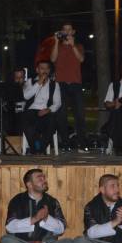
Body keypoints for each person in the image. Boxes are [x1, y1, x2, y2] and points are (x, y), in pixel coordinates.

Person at [0, 168, 77, 243]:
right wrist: (35, 219)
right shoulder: (17, 200)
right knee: (5, 240)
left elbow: (61, 229)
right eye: (39, 178)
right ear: (29, 184)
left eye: (44, 177)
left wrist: (46, 218)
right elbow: (10, 227)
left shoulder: (52, 202)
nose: (44, 180)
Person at [49, 22, 87, 150]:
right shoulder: (58, 46)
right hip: (61, 84)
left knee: (80, 115)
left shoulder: (79, 46)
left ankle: (82, 144)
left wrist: (72, 45)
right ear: (62, 32)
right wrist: (56, 42)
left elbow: (81, 59)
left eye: (69, 29)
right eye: (64, 30)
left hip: (76, 84)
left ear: (73, 32)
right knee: (61, 115)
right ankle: (65, 144)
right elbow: (52, 59)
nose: (67, 32)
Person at [22, 60, 62, 154]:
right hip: (32, 111)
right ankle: (37, 149)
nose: (44, 71)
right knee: (26, 121)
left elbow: (57, 103)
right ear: (37, 70)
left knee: (52, 121)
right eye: (42, 68)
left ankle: (39, 149)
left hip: (46, 111)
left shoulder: (54, 85)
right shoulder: (30, 81)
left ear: (49, 70)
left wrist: (48, 110)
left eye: (47, 68)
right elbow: (26, 96)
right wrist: (39, 82)